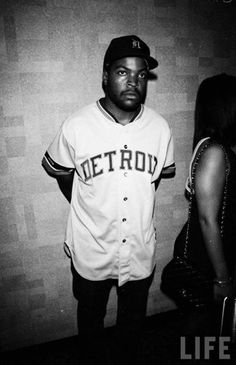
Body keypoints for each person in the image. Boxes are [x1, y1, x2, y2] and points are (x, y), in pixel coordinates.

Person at [42, 35, 175, 365]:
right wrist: (87, 204)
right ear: (105, 75)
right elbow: (61, 172)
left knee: (132, 327)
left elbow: (155, 177)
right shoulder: (77, 125)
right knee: (90, 324)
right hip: (92, 248)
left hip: (139, 249)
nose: (133, 81)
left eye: (141, 74)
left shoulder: (159, 128)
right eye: (122, 72)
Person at [173, 73, 236, 342]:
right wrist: (222, 278)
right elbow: (208, 219)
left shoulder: (213, 146)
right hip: (206, 256)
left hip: (209, 250)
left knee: (206, 323)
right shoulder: (214, 152)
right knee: (203, 325)